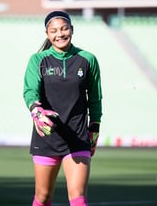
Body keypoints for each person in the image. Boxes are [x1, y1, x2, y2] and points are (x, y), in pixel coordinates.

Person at [23, 11, 103, 206]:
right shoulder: (37, 60)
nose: (60, 34)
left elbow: (95, 98)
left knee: (78, 198)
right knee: (42, 198)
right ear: (47, 34)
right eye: (54, 31)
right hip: (47, 136)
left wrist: (95, 127)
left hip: (77, 137)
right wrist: (36, 111)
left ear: (72, 30)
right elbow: (30, 92)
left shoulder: (88, 59)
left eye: (64, 28)